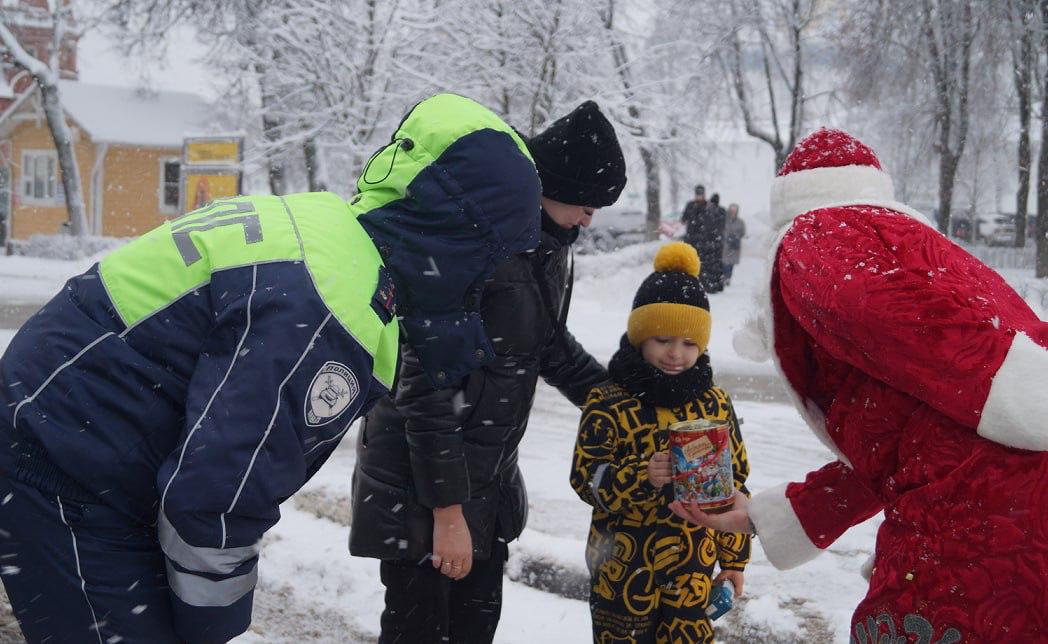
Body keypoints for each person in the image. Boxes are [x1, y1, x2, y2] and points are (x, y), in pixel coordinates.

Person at [0, 93, 542, 644]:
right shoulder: (333, 305)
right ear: (457, 240)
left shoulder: (326, 229)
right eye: (491, 256)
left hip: (70, 432)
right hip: (63, 466)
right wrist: (212, 626)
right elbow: (219, 496)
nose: (489, 278)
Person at [672, 128, 1048, 642]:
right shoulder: (921, 251)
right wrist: (768, 515)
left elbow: (889, 311)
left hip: (976, 523)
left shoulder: (820, 235)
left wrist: (1020, 391)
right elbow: (900, 443)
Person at [349, 100, 627, 644]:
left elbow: (544, 344)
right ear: (550, 185)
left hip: (483, 486)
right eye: (586, 201)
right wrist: (446, 515)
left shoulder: (544, 248)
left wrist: (619, 398)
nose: (592, 217)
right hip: (423, 489)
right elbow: (426, 387)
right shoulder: (469, 242)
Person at [571, 242, 750, 644]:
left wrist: (734, 559)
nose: (676, 354)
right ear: (640, 337)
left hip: (694, 571)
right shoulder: (609, 400)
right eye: (663, 339)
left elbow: (734, 485)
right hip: (622, 573)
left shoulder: (714, 402)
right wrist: (642, 474)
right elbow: (586, 479)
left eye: (689, 344)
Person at [680, 185, 725, 293]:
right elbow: (683, 219)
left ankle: (705, 285)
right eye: (698, 194)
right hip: (692, 240)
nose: (699, 197)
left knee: (705, 265)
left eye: (701, 194)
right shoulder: (690, 205)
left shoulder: (709, 206)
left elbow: (712, 223)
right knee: (691, 263)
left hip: (705, 241)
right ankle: (693, 285)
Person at [721, 203, 745, 285]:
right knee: (725, 262)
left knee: (731, 263)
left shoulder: (740, 222)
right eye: (732, 210)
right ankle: (725, 277)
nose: (733, 212)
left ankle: (728, 277)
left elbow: (743, 232)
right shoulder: (725, 220)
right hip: (726, 244)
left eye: (735, 210)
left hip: (735, 245)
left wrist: (736, 236)